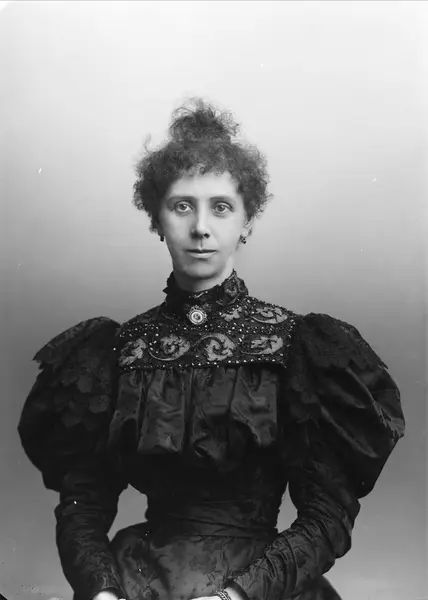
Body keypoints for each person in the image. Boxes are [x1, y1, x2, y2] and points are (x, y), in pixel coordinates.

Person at [18, 98, 405, 600]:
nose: (200, 227)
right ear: (157, 219)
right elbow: (83, 506)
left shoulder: (295, 346)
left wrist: (237, 596)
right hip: (134, 582)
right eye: (182, 206)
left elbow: (328, 516)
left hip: (260, 588)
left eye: (221, 207)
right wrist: (102, 590)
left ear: (247, 221)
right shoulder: (117, 349)